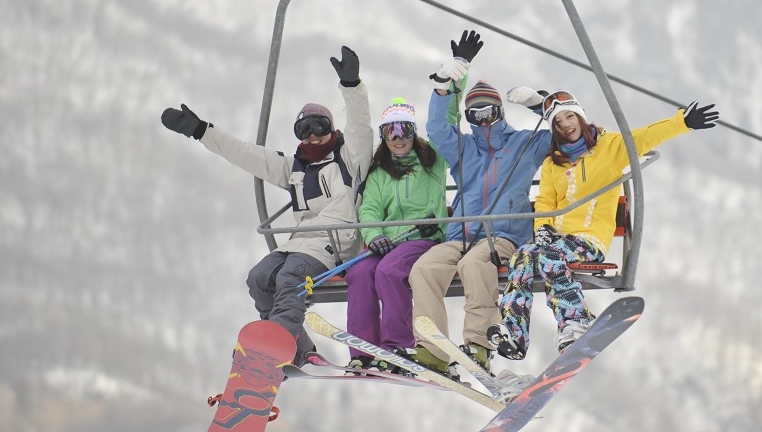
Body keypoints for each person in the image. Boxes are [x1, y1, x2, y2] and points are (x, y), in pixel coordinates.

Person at [160, 45, 372, 367]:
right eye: (304, 131)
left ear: (331, 129)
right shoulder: (294, 168)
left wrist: (352, 86)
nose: (313, 137)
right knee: (258, 279)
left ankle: (275, 349)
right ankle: (296, 349)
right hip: (299, 243)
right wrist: (201, 131)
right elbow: (248, 155)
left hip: (334, 245)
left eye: (319, 127)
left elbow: (359, 126)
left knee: (290, 280)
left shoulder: (350, 158)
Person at [488, 90, 720, 361]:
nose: (566, 125)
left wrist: (683, 122)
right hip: (557, 240)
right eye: (558, 123)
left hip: (588, 240)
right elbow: (545, 200)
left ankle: (576, 321)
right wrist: (543, 226)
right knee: (522, 256)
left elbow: (644, 137)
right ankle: (515, 334)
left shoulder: (610, 148)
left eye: (569, 116)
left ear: (580, 116)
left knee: (550, 258)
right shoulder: (554, 162)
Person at [407, 30, 552, 379]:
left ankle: (478, 344)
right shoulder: (465, 150)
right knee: (423, 269)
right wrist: (445, 86)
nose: (482, 120)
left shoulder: (523, 144)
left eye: (488, 112)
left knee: (475, 264)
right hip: (460, 234)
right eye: (474, 115)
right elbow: (439, 127)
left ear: (501, 111)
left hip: (503, 235)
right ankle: (433, 348)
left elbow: (566, 130)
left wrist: (540, 105)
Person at [345, 98, 448, 374]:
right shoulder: (379, 173)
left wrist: (451, 85)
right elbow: (369, 209)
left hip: (423, 238)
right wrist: (374, 235)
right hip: (388, 243)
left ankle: (398, 346)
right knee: (359, 272)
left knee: (389, 272)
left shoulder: (432, 162)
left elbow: (447, 119)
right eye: (391, 131)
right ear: (383, 135)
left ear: (415, 133)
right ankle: (364, 351)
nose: (398, 137)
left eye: (405, 129)